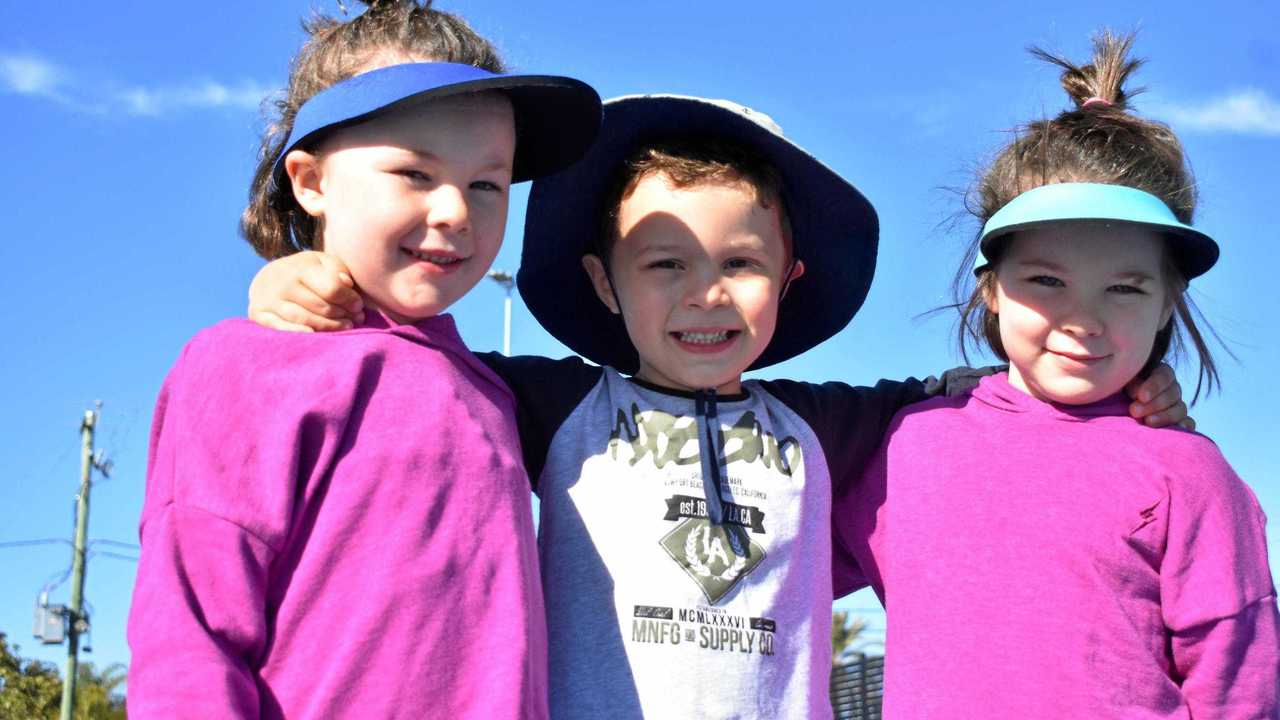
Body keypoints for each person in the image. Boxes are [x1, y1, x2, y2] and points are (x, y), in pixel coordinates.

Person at [248, 95, 1188, 718]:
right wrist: (311, 282)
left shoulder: (826, 428)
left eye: (740, 264)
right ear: (602, 283)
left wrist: (1132, 397)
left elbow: (991, 400)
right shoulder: (548, 407)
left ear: (790, 277)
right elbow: (420, 358)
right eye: (666, 265)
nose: (706, 295)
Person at [126, 2, 600, 718]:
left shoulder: (497, 394)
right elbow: (188, 635)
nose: (456, 211)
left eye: (486, 184)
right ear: (311, 181)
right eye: (414, 172)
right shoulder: (242, 366)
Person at [833, 31, 1279, 719]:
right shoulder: (905, 444)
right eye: (1047, 280)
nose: (1084, 319)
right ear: (990, 287)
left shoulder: (1192, 474)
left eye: (1125, 289)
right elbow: (770, 574)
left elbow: (1240, 682)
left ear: (1169, 303)